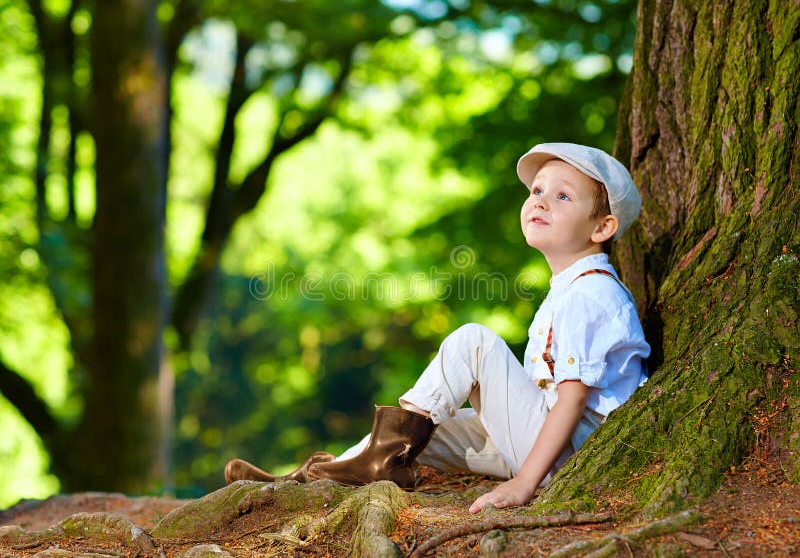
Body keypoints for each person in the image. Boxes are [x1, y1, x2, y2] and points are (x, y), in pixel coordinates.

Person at [224, 142, 650, 513]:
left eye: (562, 196)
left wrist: (523, 485)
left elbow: (573, 399)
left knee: (475, 341)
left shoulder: (592, 294)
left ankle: (373, 462)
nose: (540, 201)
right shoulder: (569, 290)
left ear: (602, 227)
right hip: (547, 440)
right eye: (537, 190)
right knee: (427, 432)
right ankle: (310, 480)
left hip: (568, 455)